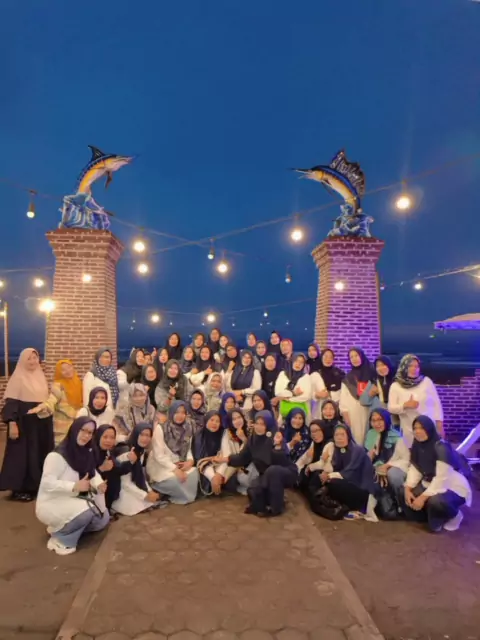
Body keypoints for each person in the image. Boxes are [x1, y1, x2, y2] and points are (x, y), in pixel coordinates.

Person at [35, 417, 109, 555]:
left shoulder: (86, 452)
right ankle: (61, 539)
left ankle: (62, 527)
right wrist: (73, 486)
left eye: (90, 433)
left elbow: (92, 472)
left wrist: (99, 484)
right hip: (53, 502)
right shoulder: (56, 456)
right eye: (83, 430)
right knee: (87, 512)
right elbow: (47, 484)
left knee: (102, 519)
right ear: (74, 430)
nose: (86, 436)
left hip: (76, 499)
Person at [215, 410, 297, 517]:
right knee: (253, 491)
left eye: (262, 424)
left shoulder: (276, 437)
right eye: (257, 423)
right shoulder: (252, 440)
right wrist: (224, 460)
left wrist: (277, 447)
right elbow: (242, 458)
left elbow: (281, 461)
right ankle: (273, 499)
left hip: (285, 472)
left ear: (268, 425)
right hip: (266, 475)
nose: (259, 427)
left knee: (273, 471)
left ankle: (276, 509)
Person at [400, 415, 471, 532]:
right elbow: (416, 468)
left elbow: (442, 478)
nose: (417, 431)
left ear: (429, 428)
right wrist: (407, 489)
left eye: (421, 428)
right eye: (415, 428)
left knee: (436, 500)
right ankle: (427, 517)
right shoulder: (417, 444)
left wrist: (422, 497)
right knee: (405, 492)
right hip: (429, 482)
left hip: (450, 485)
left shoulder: (441, 447)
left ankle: (455, 515)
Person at [0, 348, 54, 502]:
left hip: (40, 424)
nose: (32, 361)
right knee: (22, 456)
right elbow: (11, 403)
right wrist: (12, 423)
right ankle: (19, 489)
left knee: (39, 453)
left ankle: (34, 487)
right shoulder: (18, 378)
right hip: (23, 425)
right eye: (29, 358)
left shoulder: (40, 377)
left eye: (35, 358)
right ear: (22, 360)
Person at [319, 424, 378, 521]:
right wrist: (324, 465)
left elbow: (349, 472)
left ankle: (352, 508)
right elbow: (331, 468)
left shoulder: (357, 450)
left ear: (348, 436)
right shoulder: (336, 450)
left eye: (342, 434)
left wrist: (329, 476)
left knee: (333, 483)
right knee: (320, 479)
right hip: (346, 484)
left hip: (362, 490)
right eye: (336, 435)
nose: (339, 437)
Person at [147, 401, 199, 504]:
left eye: (183, 412)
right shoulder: (161, 428)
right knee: (176, 481)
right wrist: (174, 469)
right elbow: (159, 455)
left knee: (194, 474)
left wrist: (190, 461)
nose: (180, 415)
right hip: (161, 465)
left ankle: (178, 494)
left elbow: (188, 448)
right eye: (177, 412)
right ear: (171, 412)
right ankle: (157, 487)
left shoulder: (188, 427)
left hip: (179, 463)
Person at [388, 354, 444, 447]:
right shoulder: (396, 386)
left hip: (429, 428)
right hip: (408, 430)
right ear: (404, 367)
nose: (414, 369)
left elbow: (436, 403)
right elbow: (391, 408)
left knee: (431, 452)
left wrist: (439, 424)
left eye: (416, 366)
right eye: (410, 366)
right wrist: (405, 405)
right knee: (412, 453)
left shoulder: (426, 381)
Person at [364, 409, 410, 518]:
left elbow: (403, 458)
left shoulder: (396, 436)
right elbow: (368, 457)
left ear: (386, 420)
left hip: (393, 468)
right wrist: (370, 457)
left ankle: (401, 504)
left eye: (380, 420)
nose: (377, 423)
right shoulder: (371, 434)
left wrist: (387, 466)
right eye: (373, 420)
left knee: (393, 475)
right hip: (377, 471)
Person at [28, 359, 83, 444]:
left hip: (77, 425)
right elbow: (52, 400)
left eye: (69, 367)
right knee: (61, 449)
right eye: (63, 370)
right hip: (62, 427)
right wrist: (42, 407)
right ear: (59, 372)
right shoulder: (58, 386)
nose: (68, 371)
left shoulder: (78, 383)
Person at [111, 424, 161, 516]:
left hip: (132, 485)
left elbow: (140, 475)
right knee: (137, 506)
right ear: (136, 434)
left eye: (148, 435)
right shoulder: (126, 452)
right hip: (120, 488)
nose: (145, 438)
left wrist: (149, 491)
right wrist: (144, 495)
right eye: (142, 435)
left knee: (150, 501)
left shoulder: (140, 451)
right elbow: (124, 482)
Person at [93, 424, 134, 511]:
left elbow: (119, 469)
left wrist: (131, 461)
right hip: (93, 497)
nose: (108, 440)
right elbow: (85, 476)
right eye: (105, 437)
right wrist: (101, 469)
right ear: (98, 436)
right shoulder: (90, 453)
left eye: (112, 438)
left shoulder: (107, 452)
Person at [339, 348, 374, 446]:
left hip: (370, 411)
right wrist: (346, 416)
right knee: (356, 440)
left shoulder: (372, 374)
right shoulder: (348, 379)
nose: (354, 359)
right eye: (351, 357)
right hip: (353, 415)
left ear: (362, 356)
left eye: (356, 356)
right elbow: (343, 400)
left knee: (370, 440)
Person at [216, 409, 252, 495]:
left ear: (243, 418)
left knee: (243, 479)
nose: (237, 421)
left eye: (239, 417)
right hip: (232, 464)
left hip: (248, 464)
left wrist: (244, 439)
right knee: (231, 483)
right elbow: (227, 453)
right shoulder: (227, 433)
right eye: (234, 419)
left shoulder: (250, 430)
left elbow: (250, 453)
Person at [193, 410, 225, 495]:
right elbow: (200, 459)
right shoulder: (199, 436)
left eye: (217, 421)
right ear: (206, 420)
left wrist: (218, 473)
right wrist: (213, 477)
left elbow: (226, 455)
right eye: (212, 420)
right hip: (204, 466)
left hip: (221, 464)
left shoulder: (223, 434)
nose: (214, 423)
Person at [275, 353, 312, 423]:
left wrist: (288, 398)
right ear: (292, 361)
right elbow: (278, 392)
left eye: (301, 362)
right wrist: (293, 393)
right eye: (296, 361)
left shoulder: (306, 377)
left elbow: (306, 396)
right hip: (284, 412)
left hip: (301, 413)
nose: (298, 364)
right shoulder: (283, 374)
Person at [310, 349, 345, 417]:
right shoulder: (315, 374)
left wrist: (330, 394)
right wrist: (317, 395)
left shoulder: (340, 373)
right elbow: (309, 393)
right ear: (321, 358)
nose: (328, 359)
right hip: (319, 410)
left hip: (336, 409)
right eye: (326, 356)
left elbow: (344, 392)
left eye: (330, 357)